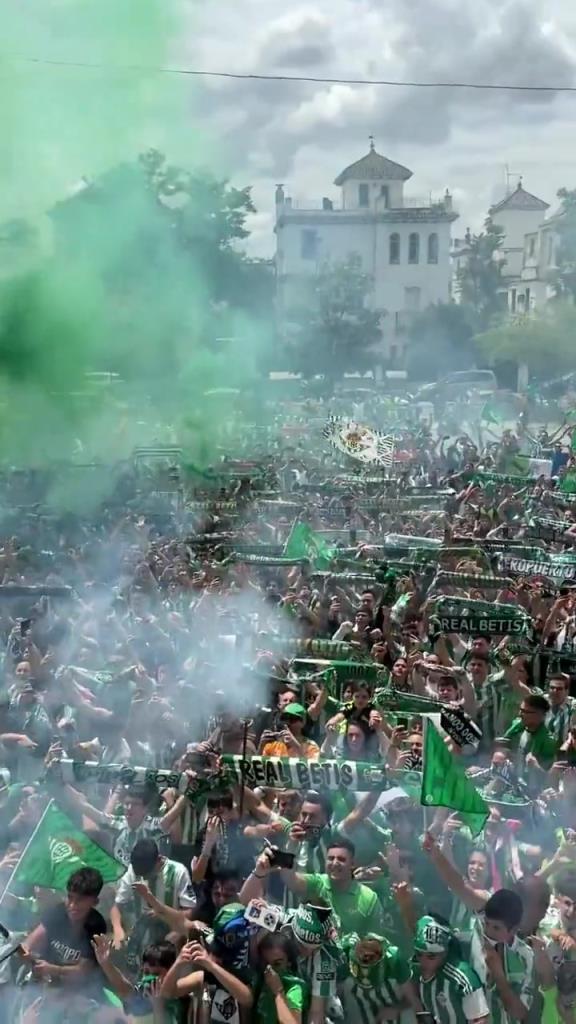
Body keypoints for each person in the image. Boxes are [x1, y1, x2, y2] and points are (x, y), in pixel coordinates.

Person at [275, 838, 385, 939]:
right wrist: (291, 846)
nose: (335, 863)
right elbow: (289, 879)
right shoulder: (317, 883)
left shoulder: (369, 898)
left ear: (352, 864)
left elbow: (374, 940)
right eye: (331, 858)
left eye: (341, 859)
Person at [110, 837, 195, 965]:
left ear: (158, 860)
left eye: (147, 874)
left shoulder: (178, 871)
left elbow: (190, 912)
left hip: (171, 937)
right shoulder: (134, 871)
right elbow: (116, 907)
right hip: (142, 936)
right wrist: (117, 929)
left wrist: (165, 917)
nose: (144, 878)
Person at [412, 913, 490, 1023]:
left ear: (444, 953)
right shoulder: (415, 969)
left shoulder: (461, 978)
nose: (423, 961)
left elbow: (480, 1019)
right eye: (419, 954)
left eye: (431, 956)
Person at [338, 931, 419, 1023]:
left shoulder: (394, 961)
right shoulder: (345, 961)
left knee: (407, 1015)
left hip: (394, 1013)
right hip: (357, 1012)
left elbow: (413, 999)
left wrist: (396, 1009)